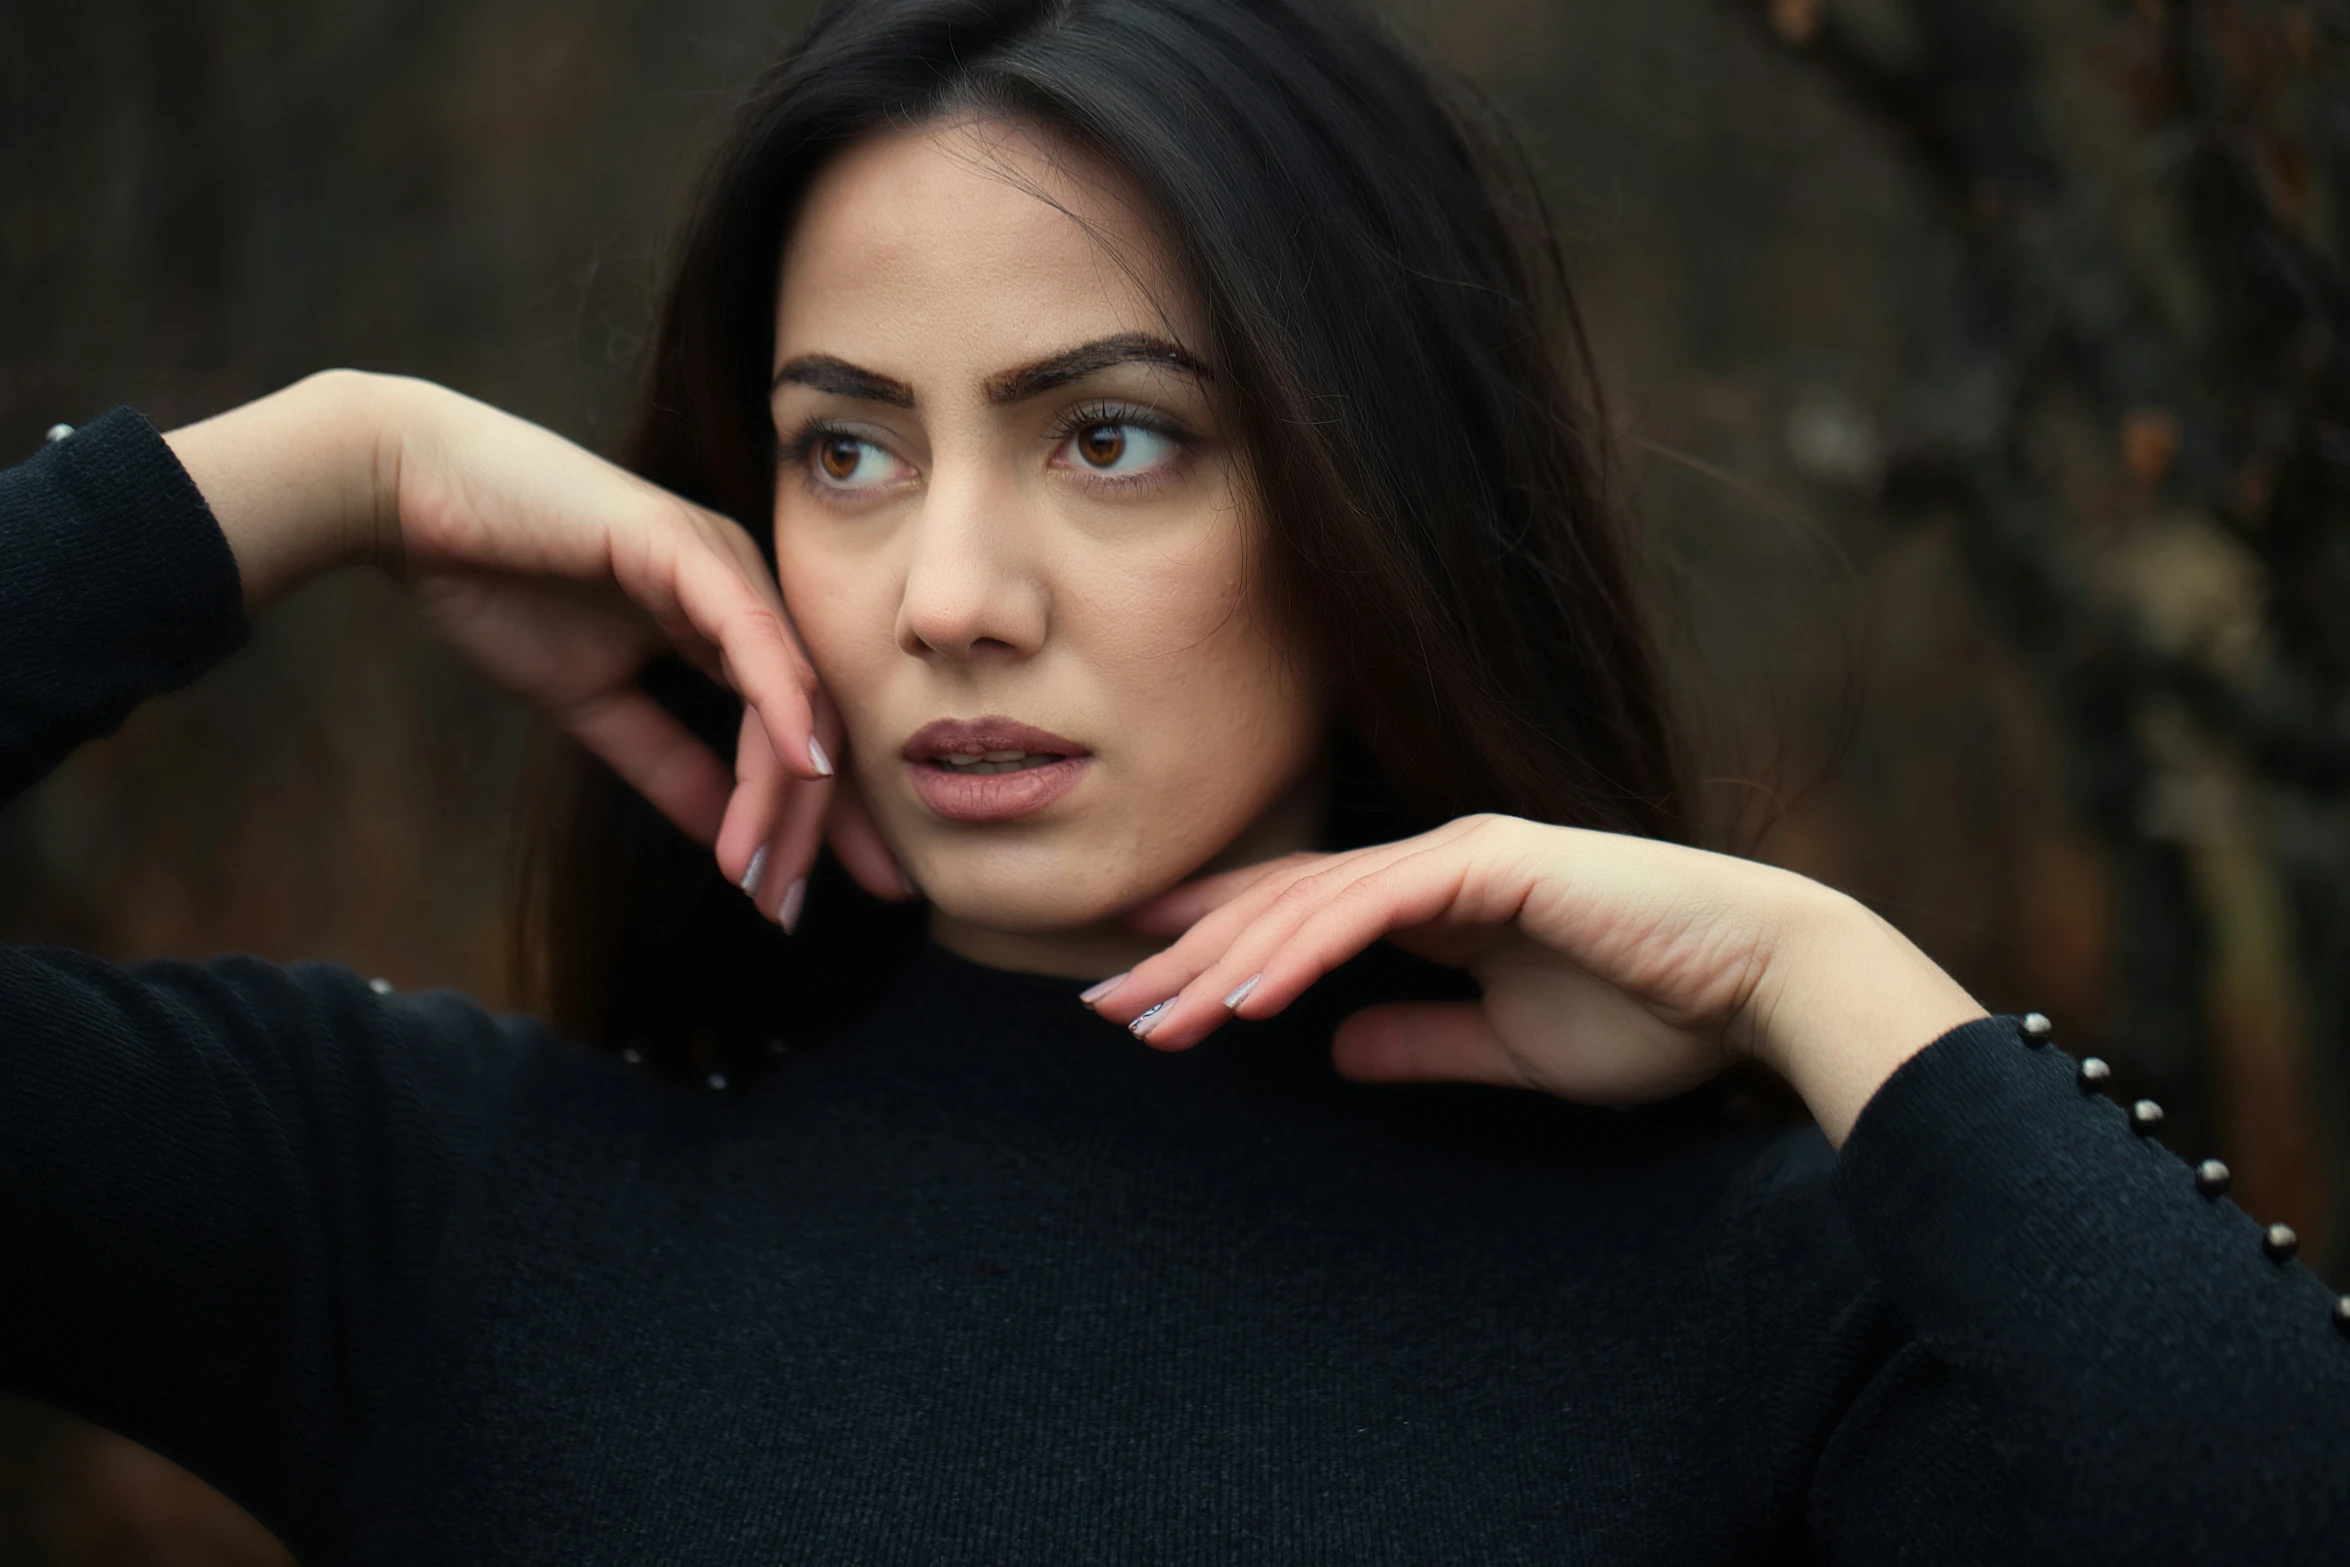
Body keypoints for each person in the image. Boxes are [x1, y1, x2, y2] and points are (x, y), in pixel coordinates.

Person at [4, 0, 2345, 1560]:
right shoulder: (425, 1209)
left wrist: (1814, 978)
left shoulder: (1751, 1299)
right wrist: (311, 473)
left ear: (1365, 502)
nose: (948, 591)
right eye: (845, 448)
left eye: (1106, 437)